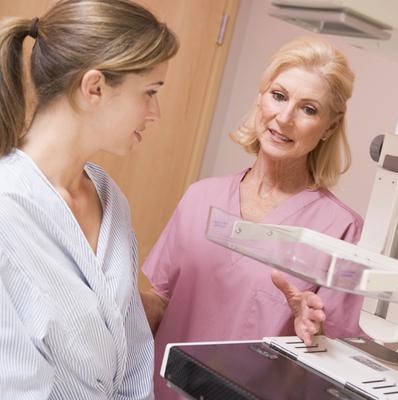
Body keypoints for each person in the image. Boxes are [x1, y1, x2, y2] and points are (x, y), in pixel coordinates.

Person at [141, 36, 364, 399]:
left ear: (329, 126)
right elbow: (161, 304)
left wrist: (311, 332)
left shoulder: (341, 230)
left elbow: (338, 366)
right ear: (261, 97)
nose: (285, 117)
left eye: (308, 109)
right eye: (278, 96)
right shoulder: (202, 196)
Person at [0, 0, 178, 398]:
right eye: (149, 92)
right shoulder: (6, 209)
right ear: (94, 87)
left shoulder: (109, 197)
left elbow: (132, 352)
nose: (156, 112)